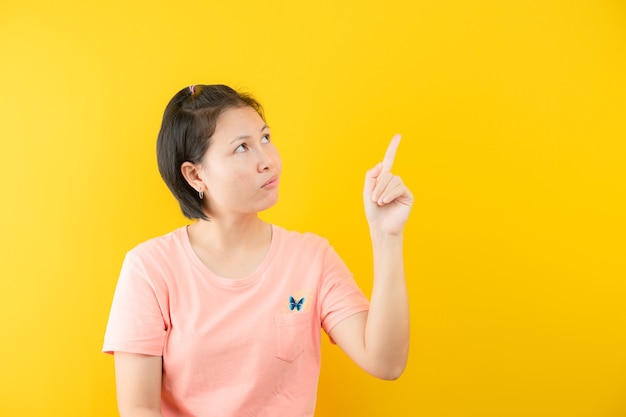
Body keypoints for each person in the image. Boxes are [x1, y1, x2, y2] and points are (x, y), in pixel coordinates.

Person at [103, 84, 413, 417]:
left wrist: (387, 236)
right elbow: (138, 409)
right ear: (195, 175)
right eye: (242, 148)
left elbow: (386, 362)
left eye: (265, 138)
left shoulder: (311, 258)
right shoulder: (149, 269)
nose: (267, 160)